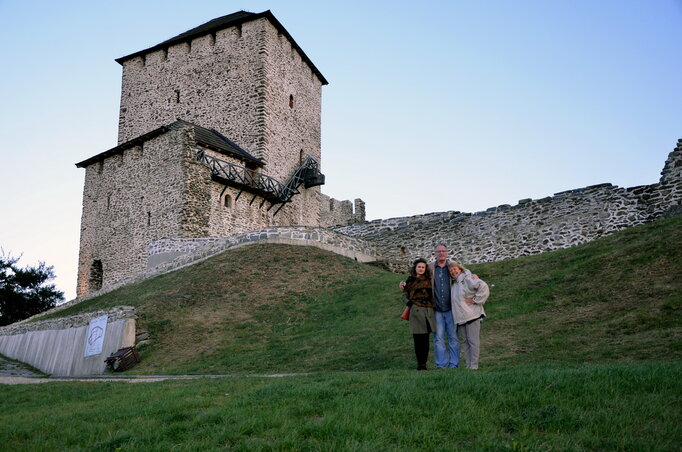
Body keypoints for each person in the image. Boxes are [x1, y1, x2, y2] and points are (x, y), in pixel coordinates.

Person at [448, 263, 489, 370]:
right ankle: (468, 365)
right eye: (451, 271)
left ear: (460, 269)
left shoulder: (467, 278)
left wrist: (475, 300)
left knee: (473, 342)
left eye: (454, 269)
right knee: (466, 342)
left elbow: (483, 286)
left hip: (472, 315)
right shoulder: (454, 283)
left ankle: (474, 366)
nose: (453, 272)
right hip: (461, 318)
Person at [402, 258, 436, 370]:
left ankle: (424, 364)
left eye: (423, 267)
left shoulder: (430, 280)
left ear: (425, 269)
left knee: (425, 339)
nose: (421, 269)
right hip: (415, 312)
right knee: (417, 339)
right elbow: (404, 295)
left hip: (428, 311)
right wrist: (410, 304)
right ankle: (420, 364)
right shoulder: (409, 281)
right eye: (419, 267)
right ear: (415, 268)